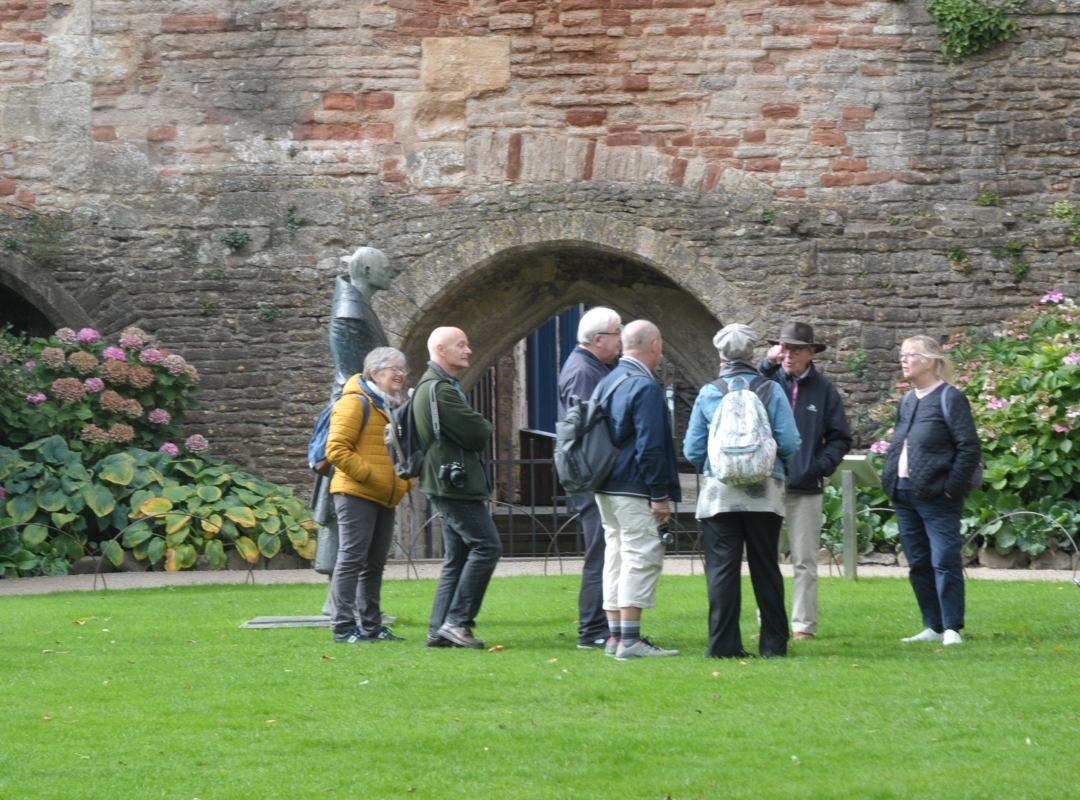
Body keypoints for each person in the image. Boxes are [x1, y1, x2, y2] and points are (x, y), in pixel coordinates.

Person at [684, 324, 801, 658]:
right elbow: (789, 441)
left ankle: (723, 646)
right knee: (766, 567)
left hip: (720, 495)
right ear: (752, 354)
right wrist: (770, 464)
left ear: (721, 356)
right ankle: (774, 646)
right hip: (764, 492)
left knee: (722, 571)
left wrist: (719, 466)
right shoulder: (771, 389)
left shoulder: (709, 392)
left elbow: (693, 449)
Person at [881, 335, 981, 646]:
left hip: (938, 496)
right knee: (918, 562)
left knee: (944, 560)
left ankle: (951, 627)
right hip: (904, 493)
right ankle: (933, 626)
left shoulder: (950, 398)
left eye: (910, 355)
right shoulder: (907, 401)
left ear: (929, 362)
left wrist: (950, 488)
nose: (903, 360)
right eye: (902, 354)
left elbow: (969, 447)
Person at [593, 320, 682, 660]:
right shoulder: (644, 386)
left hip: (605, 484)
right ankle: (630, 640)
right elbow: (650, 446)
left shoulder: (609, 380)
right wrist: (659, 494)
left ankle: (616, 637)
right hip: (633, 486)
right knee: (640, 555)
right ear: (655, 345)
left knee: (616, 555)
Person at [758, 321, 852, 640]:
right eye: (785, 348)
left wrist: (817, 467)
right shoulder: (767, 381)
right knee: (765, 560)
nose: (789, 355)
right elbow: (742, 390)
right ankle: (769, 623)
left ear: (811, 352)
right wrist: (766, 364)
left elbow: (840, 438)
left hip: (806, 488)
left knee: (805, 561)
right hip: (767, 485)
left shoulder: (824, 389)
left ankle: (803, 626)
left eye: (797, 349)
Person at [314, 247, 393, 620]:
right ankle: (340, 605)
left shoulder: (358, 308)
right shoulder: (351, 314)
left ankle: (350, 604)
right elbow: (357, 373)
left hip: (362, 408)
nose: (390, 271)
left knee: (347, 507)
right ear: (365, 268)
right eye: (384, 266)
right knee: (343, 503)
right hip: (354, 412)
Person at [414, 327, 502, 649]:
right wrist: (482, 425)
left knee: (458, 556)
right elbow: (479, 431)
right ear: (440, 349)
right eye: (460, 345)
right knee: (487, 546)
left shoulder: (434, 386)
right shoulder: (440, 390)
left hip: (445, 483)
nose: (468, 350)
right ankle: (457, 622)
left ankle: (438, 630)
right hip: (454, 486)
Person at [325, 347, 412, 643]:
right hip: (356, 493)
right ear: (375, 373)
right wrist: (371, 477)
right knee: (351, 559)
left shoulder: (391, 405)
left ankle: (372, 627)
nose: (400, 375)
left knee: (374, 565)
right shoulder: (355, 402)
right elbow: (336, 449)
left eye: (403, 370)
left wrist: (403, 482)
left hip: (385, 495)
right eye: (394, 369)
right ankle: (343, 627)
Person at [556, 307, 622, 651]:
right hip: (592, 475)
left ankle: (603, 626)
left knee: (605, 549)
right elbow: (589, 427)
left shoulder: (589, 367)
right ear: (598, 340)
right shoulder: (584, 371)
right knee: (601, 551)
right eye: (616, 333)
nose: (621, 340)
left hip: (592, 474)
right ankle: (593, 629)